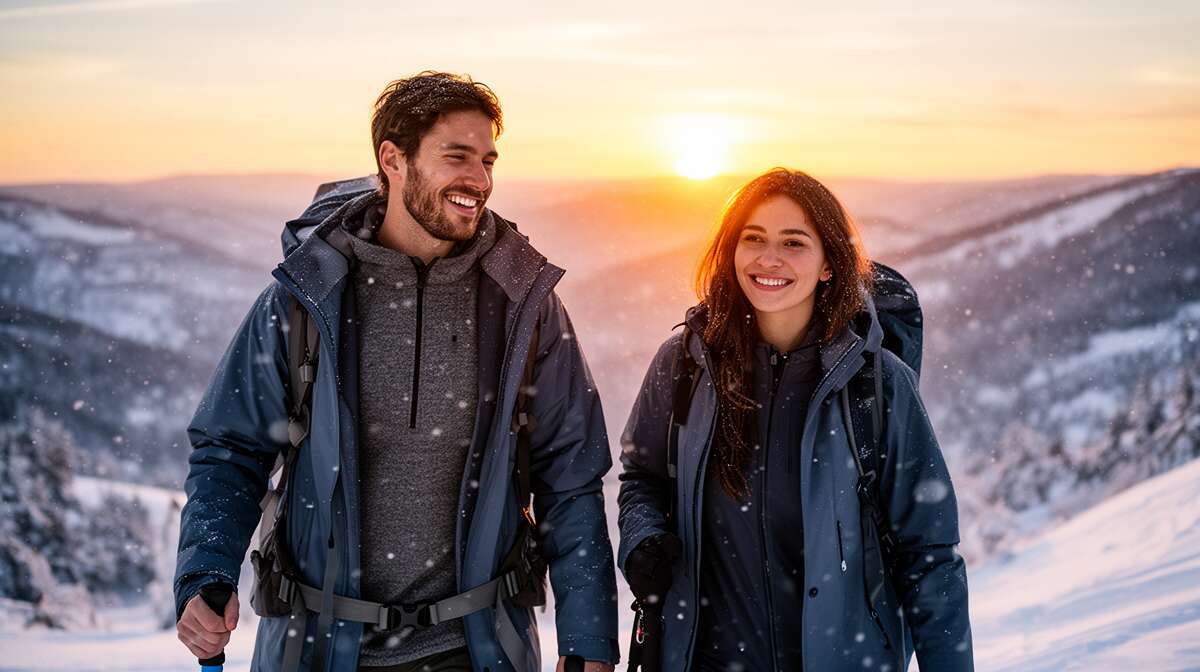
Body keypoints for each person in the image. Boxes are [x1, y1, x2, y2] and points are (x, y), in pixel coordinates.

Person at [173, 72, 619, 672]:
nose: (479, 180)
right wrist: (206, 571)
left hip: (478, 648)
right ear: (393, 160)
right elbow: (231, 448)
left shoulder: (522, 304)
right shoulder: (307, 296)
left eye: (488, 160)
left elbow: (570, 476)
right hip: (320, 648)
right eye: (456, 157)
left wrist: (586, 636)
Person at [617, 168, 973, 671]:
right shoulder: (684, 364)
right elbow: (642, 478)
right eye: (754, 239)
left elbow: (928, 553)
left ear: (829, 263)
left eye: (794, 243)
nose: (769, 259)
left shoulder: (877, 383)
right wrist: (642, 539)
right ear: (731, 252)